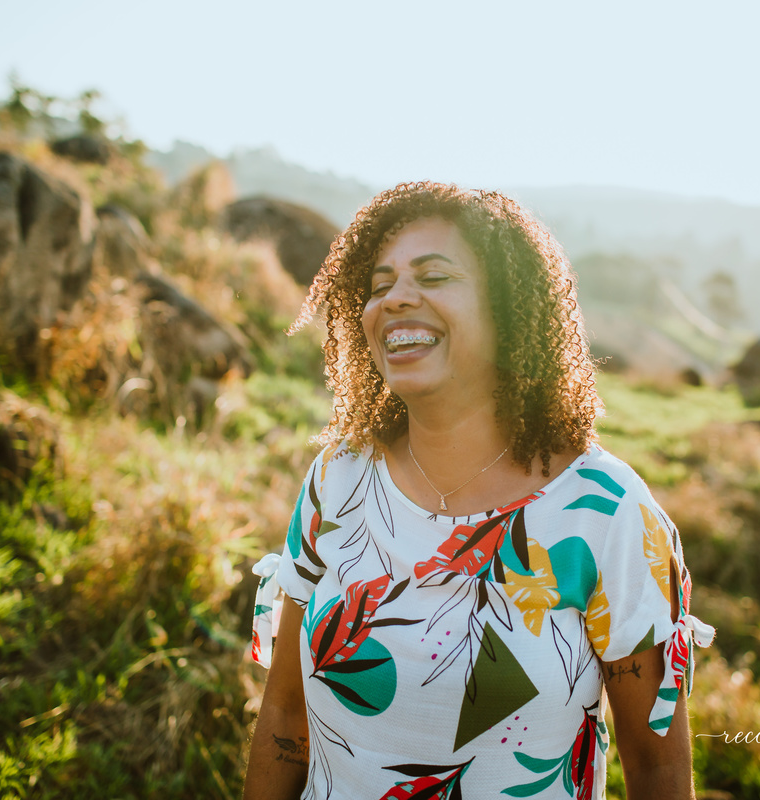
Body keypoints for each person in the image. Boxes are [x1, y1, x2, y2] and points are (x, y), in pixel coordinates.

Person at [244, 182, 713, 800]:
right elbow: (285, 716)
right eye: (380, 285)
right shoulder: (339, 478)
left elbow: (655, 771)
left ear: (507, 311)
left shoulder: (603, 511)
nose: (395, 298)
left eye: (434, 276)